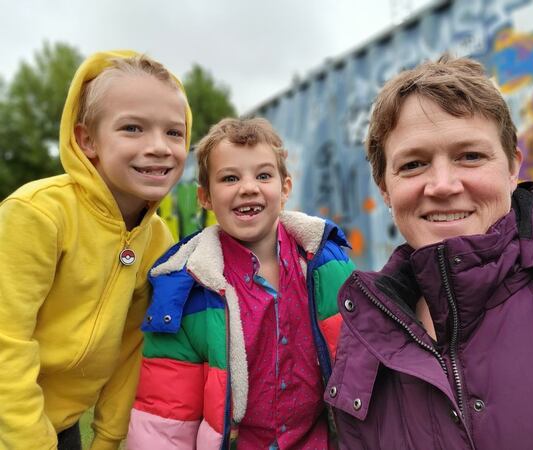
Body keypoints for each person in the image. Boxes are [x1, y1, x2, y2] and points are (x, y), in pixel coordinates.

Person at [324, 55, 533, 449]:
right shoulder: (366, 335)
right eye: (414, 164)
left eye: (470, 156)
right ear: (384, 188)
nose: (442, 185)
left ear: (512, 168)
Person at [0, 50, 192, 450]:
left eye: (174, 133)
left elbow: (131, 348)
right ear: (87, 140)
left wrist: (106, 439)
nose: (159, 146)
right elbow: (7, 340)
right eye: (133, 128)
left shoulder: (158, 242)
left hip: (63, 427)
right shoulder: (37, 214)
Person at [127, 117, 355, 449]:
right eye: (230, 178)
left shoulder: (327, 264)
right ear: (205, 197)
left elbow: (366, 368)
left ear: (285, 188)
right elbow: (166, 417)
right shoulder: (186, 288)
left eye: (263, 175)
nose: (248, 187)